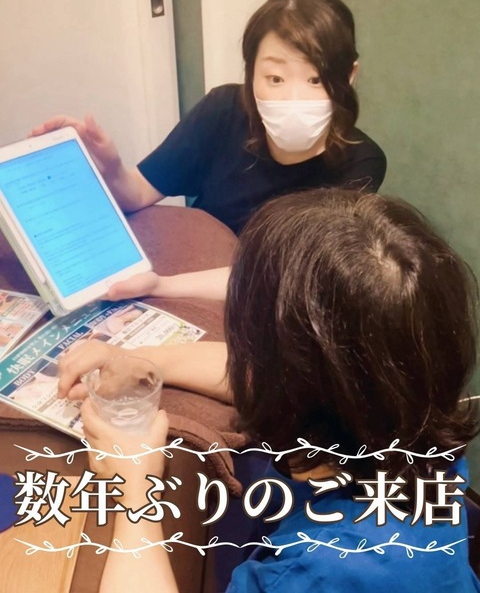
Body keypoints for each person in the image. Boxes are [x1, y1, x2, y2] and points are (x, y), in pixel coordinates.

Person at [59, 189, 480, 592]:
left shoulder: (320, 569)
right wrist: (138, 359)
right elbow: (264, 378)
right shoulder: (413, 414)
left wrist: (135, 490)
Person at [32, 0, 387, 303]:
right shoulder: (223, 110)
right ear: (251, 73)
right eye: (275, 79)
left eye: (316, 79)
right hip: (195, 266)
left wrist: (162, 286)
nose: (293, 99)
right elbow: (136, 194)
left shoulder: (361, 161)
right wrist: (110, 168)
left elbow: (289, 275)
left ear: (349, 77)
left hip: (258, 302)